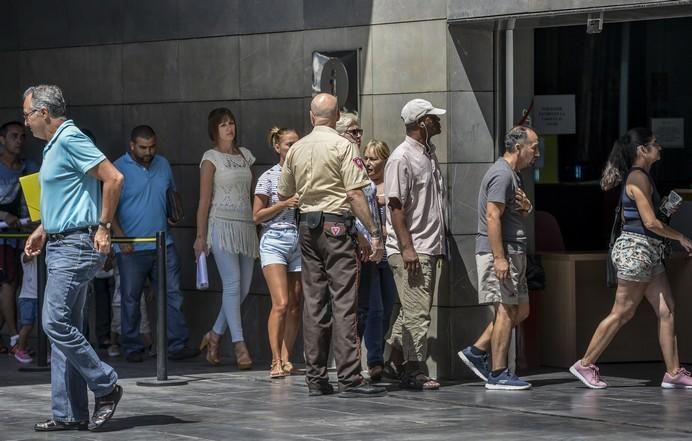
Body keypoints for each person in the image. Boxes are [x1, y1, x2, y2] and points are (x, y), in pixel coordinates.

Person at [23, 84, 123, 432]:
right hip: (60, 242)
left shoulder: (69, 138)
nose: (26, 123)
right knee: (65, 328)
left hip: (75, 247)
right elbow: (68, 195)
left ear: (44, 113)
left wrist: (104, 226)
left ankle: (106, 385)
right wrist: (44, 228)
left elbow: (113, 178)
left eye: (27, 115)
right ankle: (69, 412)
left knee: (55, 322)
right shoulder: (55, 145)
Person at [278, 93, 385, 397]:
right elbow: (354, 195)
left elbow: (285, 190)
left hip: (307, 226)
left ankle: (316, 378)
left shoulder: (296, 148)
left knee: (314, 303)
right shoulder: (343, 146)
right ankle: (350, 378)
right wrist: (374, 232)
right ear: (337, 116)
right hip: (337, 226)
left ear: (312, 117)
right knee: (344, 302)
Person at [570, 127, 692, 389]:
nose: (660, 148)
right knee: (623, 312)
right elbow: (650, 222)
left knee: (666, 309)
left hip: (648, 252)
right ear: (642, 150)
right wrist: (681, 237)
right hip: (637, 252)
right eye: (655, 144)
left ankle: (673, 373)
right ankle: (585, 363)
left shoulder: (641, 178)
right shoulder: (638, 179)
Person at [458, 126, 539, 390]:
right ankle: (498, 372)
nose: (536, 153)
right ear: (519, 147)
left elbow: (513, 212)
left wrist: (527, 208)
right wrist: (499, 258)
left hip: (515, 251)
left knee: (520, 310)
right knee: (505, 310)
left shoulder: (514, 175)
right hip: (503, 253)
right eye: (534, 147)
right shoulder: (502, 174)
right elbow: (492, 216)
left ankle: (477, 350)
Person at [112, 125, 199, 362]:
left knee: (173, 295)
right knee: (130, 299)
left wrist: (173, 213)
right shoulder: (117, 168)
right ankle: (131, 347)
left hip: (163, 243)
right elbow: (109, 209)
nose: (148, 151)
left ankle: (176, 345)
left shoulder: (163, 164)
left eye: (152, 147)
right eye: (143, 147)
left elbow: (171, 195)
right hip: (132, 246)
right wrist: (121, 239)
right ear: (132, 145)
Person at [384, 98, 447, 390]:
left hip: (429, 246)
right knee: (418, 313)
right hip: (413, 248)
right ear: (422, 123)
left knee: (411, 310)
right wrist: (406, 247)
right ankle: (412, 370)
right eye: (433, 117)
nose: (438, 121)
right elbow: (396, 206)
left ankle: (387, 361)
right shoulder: (401, 157)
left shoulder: (428, 153)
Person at [195, 108, 258, 369]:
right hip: (220, 225)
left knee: (242, 289)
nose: (229, 128)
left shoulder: (245, 155)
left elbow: (251, 193)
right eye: (223, 125)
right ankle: (239, 345)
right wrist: (200, 237)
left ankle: (214, 336)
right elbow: (204, 200)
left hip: (245, 226)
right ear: (214, 130)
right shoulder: (210, 158)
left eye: (231, 123)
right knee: (232, 285)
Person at [253, 127, 302, 378]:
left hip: (299, 239)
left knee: (295, 304)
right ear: (277, 147)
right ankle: (274, 360)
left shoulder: (304, 174)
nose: (292, 148)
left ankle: (286, 356)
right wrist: (283, 203)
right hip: (274, 239)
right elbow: (256, 216)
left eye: (296, 144)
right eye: (288, 144)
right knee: (281, 303)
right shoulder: (268, 177)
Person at [355, 140, 397, 382]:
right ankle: (374, 360)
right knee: (374, 307)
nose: (369, 163)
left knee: (388, 304)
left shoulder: (392, 183)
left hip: (390, 251)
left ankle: (377, 354)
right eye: (366, 158)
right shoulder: (364, 185)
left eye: (374, 158)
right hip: (370, 251)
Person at [0, 121, 38, 354]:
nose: (19, 141)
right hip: (3, 237)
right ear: (2, 140)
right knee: (8, 284)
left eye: (23, 136)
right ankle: (15, 336)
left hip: (24, 236)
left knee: (21, 286)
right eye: (14, 136)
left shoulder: (30, 167)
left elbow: (38, 202)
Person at [13, 251, 37, 363]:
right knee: (27, 325)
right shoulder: (25, 255)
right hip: (28, 296)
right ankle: (20, 349)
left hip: (39, 296)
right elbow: (27, 257)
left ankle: (46, 351)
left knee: (44, 327)